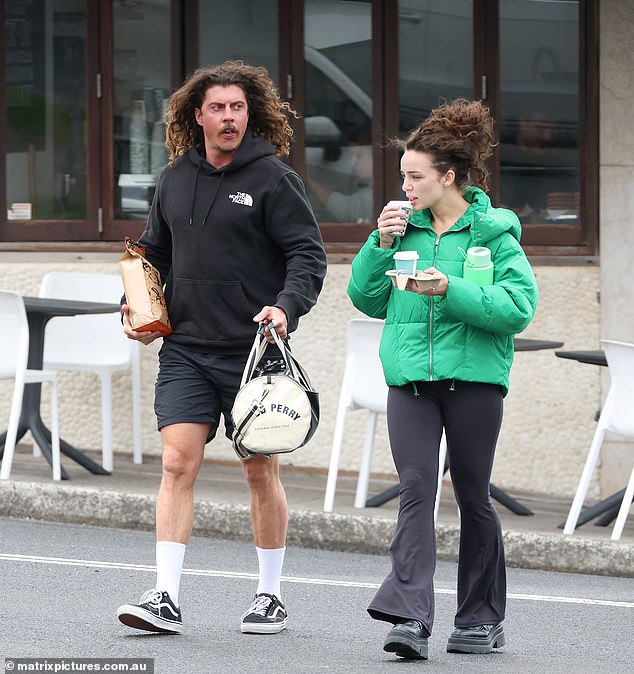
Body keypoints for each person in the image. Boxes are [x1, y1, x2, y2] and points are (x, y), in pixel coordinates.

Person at [116, 61, 327, 635]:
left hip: (253, 353)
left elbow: (307, 256)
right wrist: (136, 306)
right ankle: (164, 595)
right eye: (217, 108)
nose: (229, 117)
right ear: (197, 116)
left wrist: (286, 306)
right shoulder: (174, 180)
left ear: (249, 113)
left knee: (260, 473)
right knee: (178, 462)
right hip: (185, 347)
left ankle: (269, 594)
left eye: (237, 107)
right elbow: (153, 255)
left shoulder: (273, 179)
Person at [347, 98, 538, 660]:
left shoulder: (496, 235)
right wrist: (378, 245)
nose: (404, 187)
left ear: (447, 177)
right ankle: (409, 617)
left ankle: (481, 618)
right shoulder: (400, 228)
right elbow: (366, 299)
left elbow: (517, 307)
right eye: (402, 175)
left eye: (414, 176)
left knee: (473, 494)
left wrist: (449, 290)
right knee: (415, 491)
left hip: (475, 381)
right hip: (410, 380)